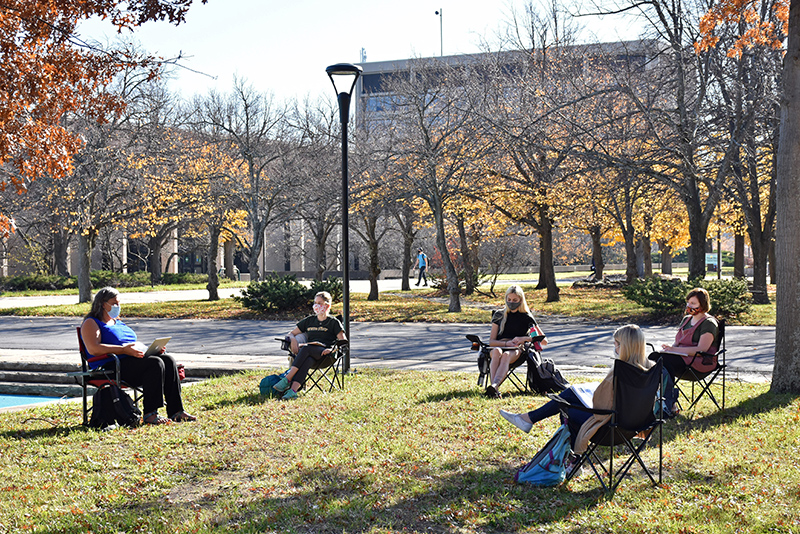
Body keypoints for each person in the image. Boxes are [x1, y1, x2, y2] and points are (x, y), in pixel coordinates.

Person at [499, 324, 651, 473]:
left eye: (616, 344)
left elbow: (600, 403)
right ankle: (531, 421)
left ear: (625, 347)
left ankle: (572, 459)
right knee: (570, 396)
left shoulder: (620, 370)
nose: (615, 348)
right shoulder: (651, 370)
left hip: (608, 429)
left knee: (566, 406)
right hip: (632, 428)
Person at [80, 287, 195, 425]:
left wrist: (150, 350)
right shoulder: (92, 322)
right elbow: (93, 349)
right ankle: (150, 414)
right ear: (103, 303)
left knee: (167, 360)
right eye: (114, 303)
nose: (117, 306)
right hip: (110, 366)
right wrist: (123, 350)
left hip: (132, 360)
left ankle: (176, 411)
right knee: (154, 363)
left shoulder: (117, 321)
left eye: (119, 303)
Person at [649, 287, 719, 414]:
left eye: (693, 303)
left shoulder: (709, 323)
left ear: (702, 305)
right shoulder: (686, 319)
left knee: (664, 361)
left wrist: (674, 349)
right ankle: (662, 402)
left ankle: (668, 404)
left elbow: (702, 349)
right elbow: (677, 342)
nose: (689, 305)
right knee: (654, 357)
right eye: (688, 302)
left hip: (699, 362)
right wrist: (668, 348)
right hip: (680, 358)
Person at [274, 291, 347, 400]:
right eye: (315, 303)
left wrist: (331, 350)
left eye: (320, 303)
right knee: (308, 358)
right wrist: (293, 339)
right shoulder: (309, 321)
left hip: (327, 356)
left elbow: (343, 342)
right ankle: (293, 391)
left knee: (306, 348)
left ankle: (287, 379)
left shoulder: (333, 322)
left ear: (327, 306)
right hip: (311, 354)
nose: (317, 306)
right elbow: (292, 333)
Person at [485, 285, 547, 398]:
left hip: (516, 350)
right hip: (499, 346)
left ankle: (494, 386)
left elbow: (543, 340)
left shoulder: (527, 317)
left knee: (506, 355)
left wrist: (524, 339)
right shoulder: (499, 315)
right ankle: (494, 388)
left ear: (520, 300)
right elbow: (491, 342)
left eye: (514, 300)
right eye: (509, 299)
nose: (511, 302)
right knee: (497, 352)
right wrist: (506, 343)